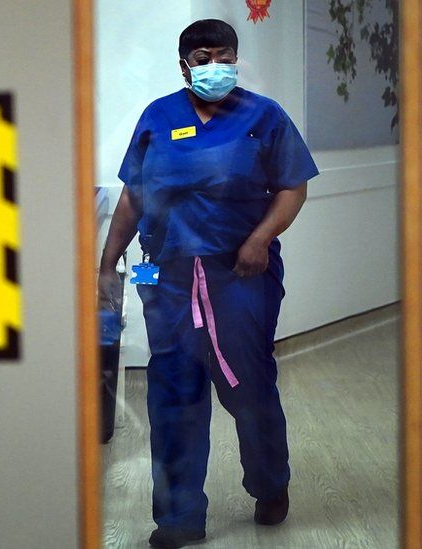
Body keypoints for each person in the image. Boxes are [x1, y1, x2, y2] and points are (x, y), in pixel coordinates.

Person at [98, 19, 319, 549]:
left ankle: (270, 486)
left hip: (239, 273)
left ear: (236, 60)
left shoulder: (263, 116)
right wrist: (107, 265)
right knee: (173, 390)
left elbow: (292, 188)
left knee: (248, 383)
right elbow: (133, 196)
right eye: (204, 57)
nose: (215, 66)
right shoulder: (158, 116)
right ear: (184, 64)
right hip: (168, 277)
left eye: (225, 57)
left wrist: (260, 238)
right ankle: (179, 517)